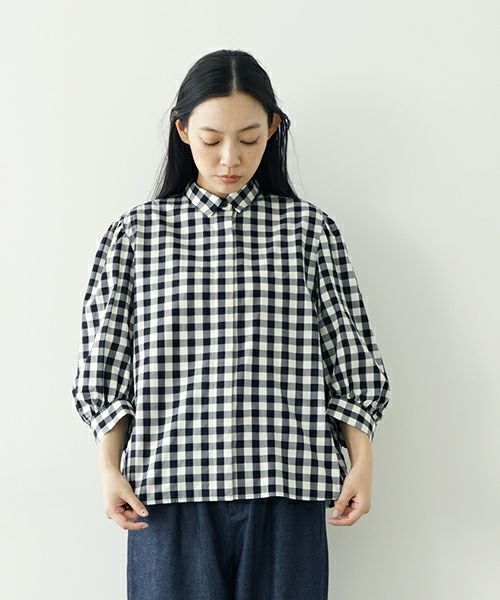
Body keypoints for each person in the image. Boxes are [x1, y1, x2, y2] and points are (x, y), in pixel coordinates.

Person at [71, 49, 391, 600]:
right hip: (166, 490)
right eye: (210, 139)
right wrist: (108, 466)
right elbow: (104, 367)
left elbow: (351, 359)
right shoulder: (136, 235)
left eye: (248, 139)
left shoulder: (309, 232)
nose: (229, 158)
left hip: (287, 483)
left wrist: (362, 460)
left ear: (273, 129)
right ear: (182, 130)